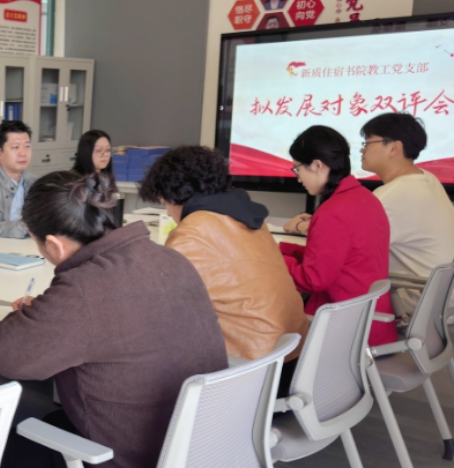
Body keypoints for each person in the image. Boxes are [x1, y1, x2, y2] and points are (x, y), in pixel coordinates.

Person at [0, 170, 227, 468]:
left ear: (53, 244)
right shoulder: (169, 258)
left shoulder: (82, 290)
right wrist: (50, 318)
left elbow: (0, 354)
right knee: (45, 419)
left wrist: (32, 318)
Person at [139, 146, 308, 379]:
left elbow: (159, 308)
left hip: (250, 371)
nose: (168, 213)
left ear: (175, 193)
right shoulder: (252, 219)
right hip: (292, 358)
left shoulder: (192, 232)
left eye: (165, 203)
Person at [280, 126, 398, 346]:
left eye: (297, 169)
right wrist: (285, 251)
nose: (298, 178)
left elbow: (312, 280)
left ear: (317, 165)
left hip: (344, 334)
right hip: (372, 324)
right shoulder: (365, 198)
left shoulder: (332, 212)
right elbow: (338, 258)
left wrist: (273, 259)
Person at [359, 113, 454, 319]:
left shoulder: (392, 195)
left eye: (367, 143)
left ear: (394, 147)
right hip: (442, 299)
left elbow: (349, 242)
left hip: (415, 302)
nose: (362, 149)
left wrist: (303, 226)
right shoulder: (426, 178)